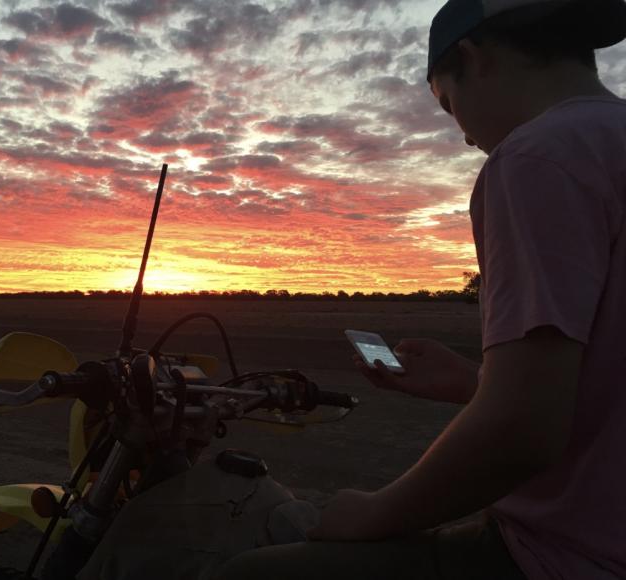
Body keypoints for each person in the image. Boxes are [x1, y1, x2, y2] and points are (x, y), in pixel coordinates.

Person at [216, 0, 626, 578]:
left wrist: (373, 512)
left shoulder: (539, 156)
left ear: (472, 57)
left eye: (448, 104)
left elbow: (524, 430)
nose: (462, 138)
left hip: (568, 555)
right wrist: (477, 384)